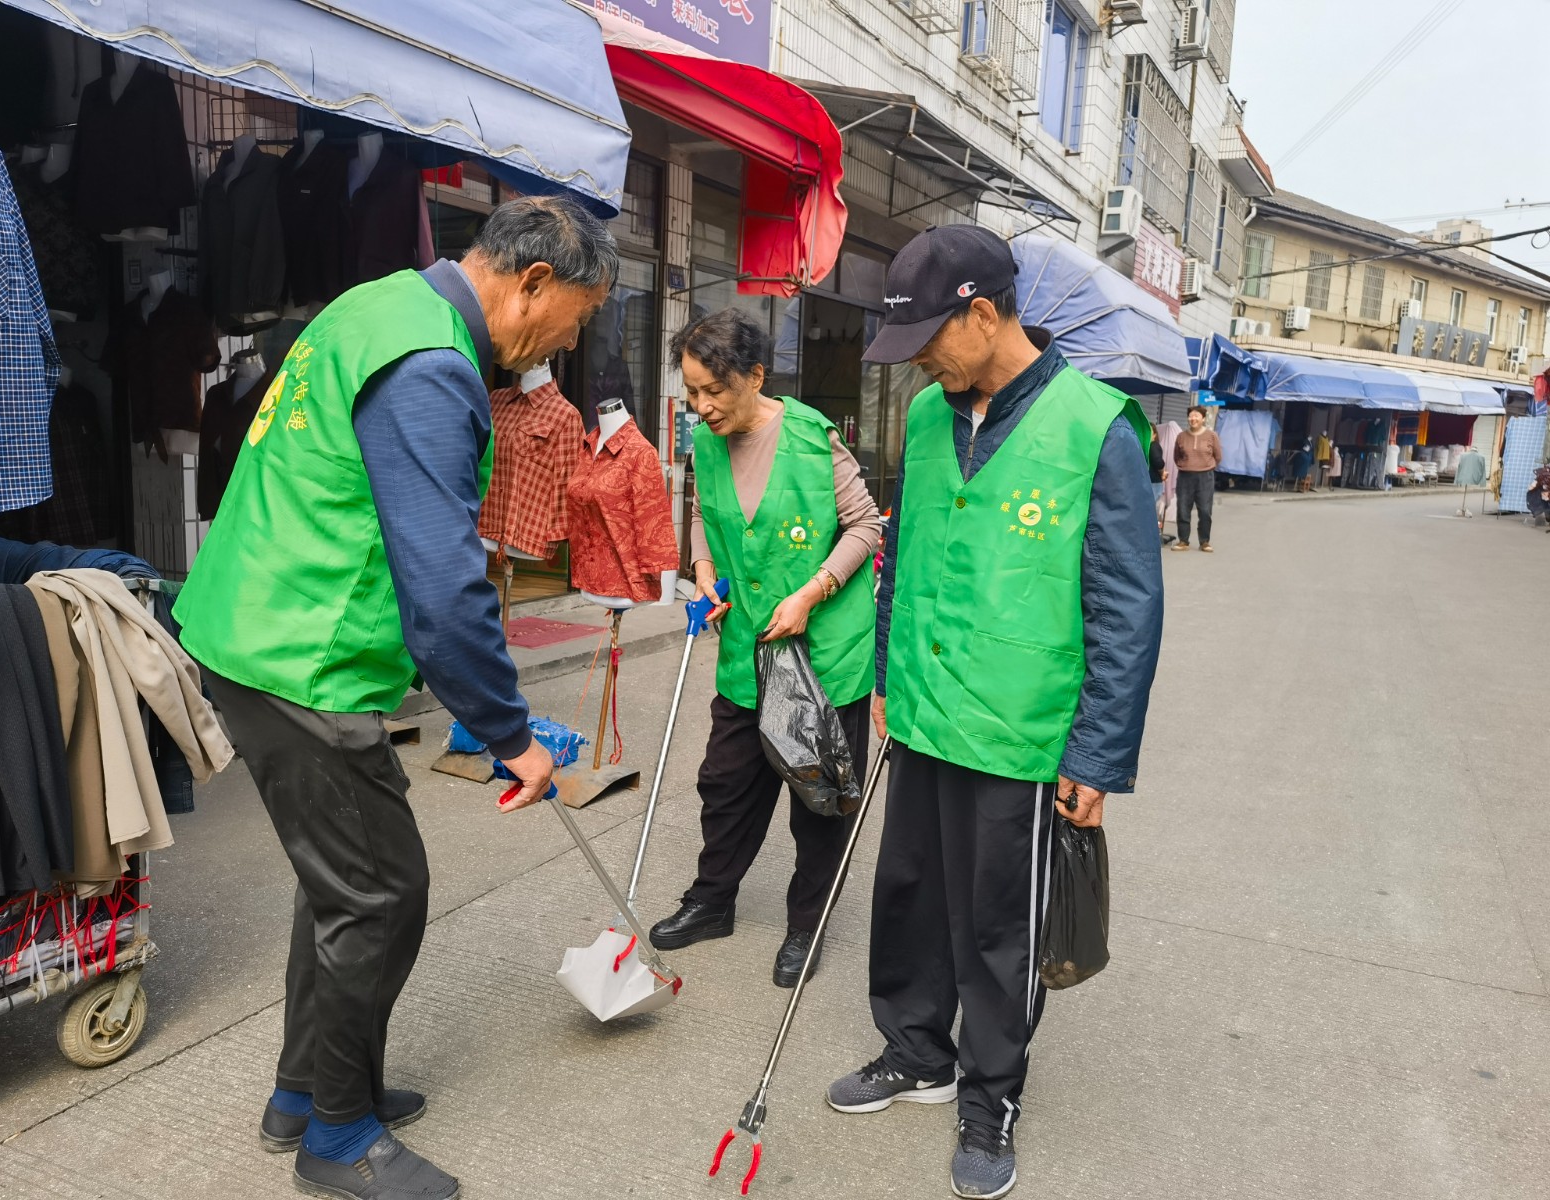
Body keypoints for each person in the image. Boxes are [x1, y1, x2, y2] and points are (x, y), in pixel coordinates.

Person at [173, 196, 617, 1200]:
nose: (566, 342)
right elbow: (444, 592)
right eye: (576, 318)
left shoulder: (375, 307)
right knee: (382, 893)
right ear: (533, 283)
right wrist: (514, 737)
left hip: (249, 629)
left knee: (341, 883)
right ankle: (337, 1135)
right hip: (302, 658)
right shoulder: (430, 368)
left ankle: (303, 1090)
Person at [824, 225, 1163, 1200]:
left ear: (984, 313)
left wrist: (1096, 755)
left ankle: (988, 1098)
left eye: (932, 338)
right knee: (908, 898)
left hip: (1022, 732)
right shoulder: (930, 420)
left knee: (994, 929)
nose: (920, 363)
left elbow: (1125, 608)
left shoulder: (1096, 427)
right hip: (924, 710)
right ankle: (914, 1052)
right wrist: (886, 672)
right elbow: (903, 553)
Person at [649, 308, 882, 988]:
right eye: (691, 392)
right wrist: (702, 575)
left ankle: (805, 927)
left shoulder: (812, 439)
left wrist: (812, 591)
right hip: (747, 648)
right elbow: (701, 521)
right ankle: (711, 901)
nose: (701, 406)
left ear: (754, 375)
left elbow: (865, 527)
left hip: (823, 655)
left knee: (818, 797)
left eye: (713, 390)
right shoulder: (705, 443)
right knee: (725, 784)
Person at [1172, 405, 1222, 551]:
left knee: (1205, 510)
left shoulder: (1212, 436)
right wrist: (1185, 465)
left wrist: (1206, 466)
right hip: (1185, 476)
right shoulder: (1181, 436)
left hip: (1205, 477)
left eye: (1196, 416)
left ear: (1203, 419)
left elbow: (1218, 456)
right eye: (1191, 416)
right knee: (1182, 509)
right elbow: (1177, 456)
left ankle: (1204, 541)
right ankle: (1183, 541)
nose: (1193, 419)